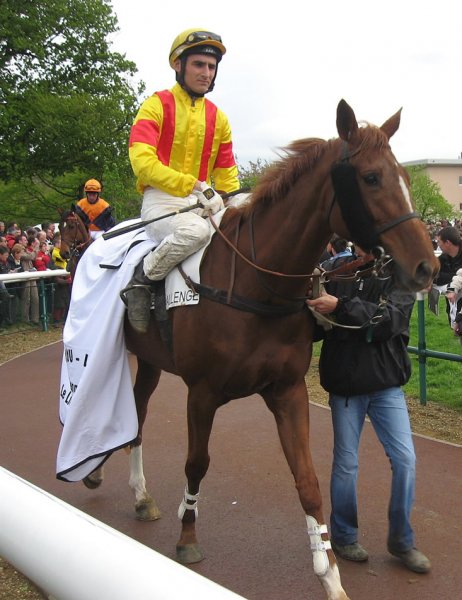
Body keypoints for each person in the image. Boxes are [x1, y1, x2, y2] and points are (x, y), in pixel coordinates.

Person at [307, 246, 431, 574]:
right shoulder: (335, 270)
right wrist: (318, 309)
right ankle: (345, 535)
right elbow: (318, 327)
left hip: (386, 385)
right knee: (346, 464)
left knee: (405, 460)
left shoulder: (399, 274)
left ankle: (402, 540)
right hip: (347, 385)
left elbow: (389, 321)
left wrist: (340, 308)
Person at [124, 28, 240, 333]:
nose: (206, 73)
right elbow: (143, 163)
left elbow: (227, 171)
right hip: (163, 200)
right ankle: (141, 282)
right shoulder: (155, 105)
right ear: (179, 65)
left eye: (211, 67)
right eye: (198, 65)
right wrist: (194, 185)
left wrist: (232, 198)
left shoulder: (219, 118)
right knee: (195, 233)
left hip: (204, 200)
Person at [434, 226, 462, 326]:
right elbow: (434, 275)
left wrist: (448, 278)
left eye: (439, 242)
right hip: (453, 305)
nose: (438, 245)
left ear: (448, 243)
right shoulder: (443, 258)